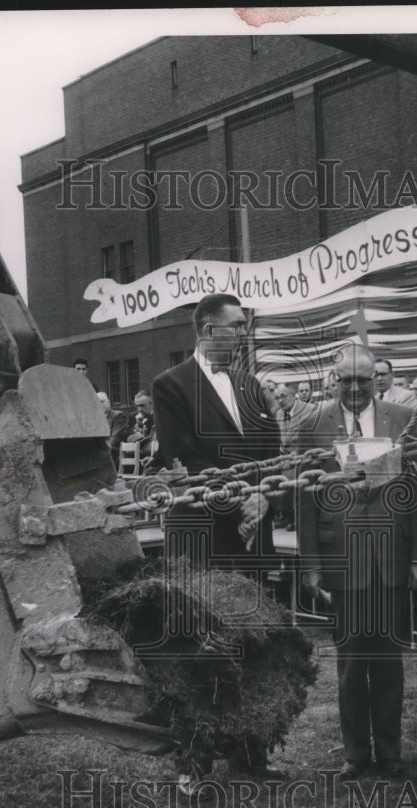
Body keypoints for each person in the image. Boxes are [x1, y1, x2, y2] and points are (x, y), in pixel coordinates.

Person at [151, 293, 283, 777]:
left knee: (252, 640)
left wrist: (265, 498)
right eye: (237, 324)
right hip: (204, 536)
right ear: (207, 329)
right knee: (199, 646)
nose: (245, 332)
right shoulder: (170, 386)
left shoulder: (251, 386)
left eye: (246, 324)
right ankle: (197, 760)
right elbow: (183, 458)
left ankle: (252, 755)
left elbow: (274, 452)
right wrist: (239, 505)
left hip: (251, 535)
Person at [297, 344, 417, 779]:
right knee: (351, 667)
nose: (354, 388)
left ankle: (389, 752)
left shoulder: (402, 419)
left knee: (390, 663)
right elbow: (306, 500)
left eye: (363, 379)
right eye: (346, 380)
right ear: (334, 380)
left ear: (378, 379)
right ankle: (356, 754)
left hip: (391, 561)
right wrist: (312, 565)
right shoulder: (314, 424)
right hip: (343, 561)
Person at [273, 383, 318, 530]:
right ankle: (284, 515)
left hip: (303, 457)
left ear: (294, 395)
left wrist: (297, 454)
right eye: (277, 398)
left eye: (283, 396)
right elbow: (280, 440)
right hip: (284, 459)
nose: (280, 400)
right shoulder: (278, 414)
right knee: (273, 474)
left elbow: (314, 439)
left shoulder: (310, 410)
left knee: (293, 475)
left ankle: (297, 517)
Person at [96, 391, 131, 459]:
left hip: (115, 453)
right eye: (96, 403)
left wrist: (100, 449)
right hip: (99, 452)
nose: (99, 405)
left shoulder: (118, 415)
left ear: (109, 402)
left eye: (102, 402)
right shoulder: (94, 419)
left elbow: (114, 439)